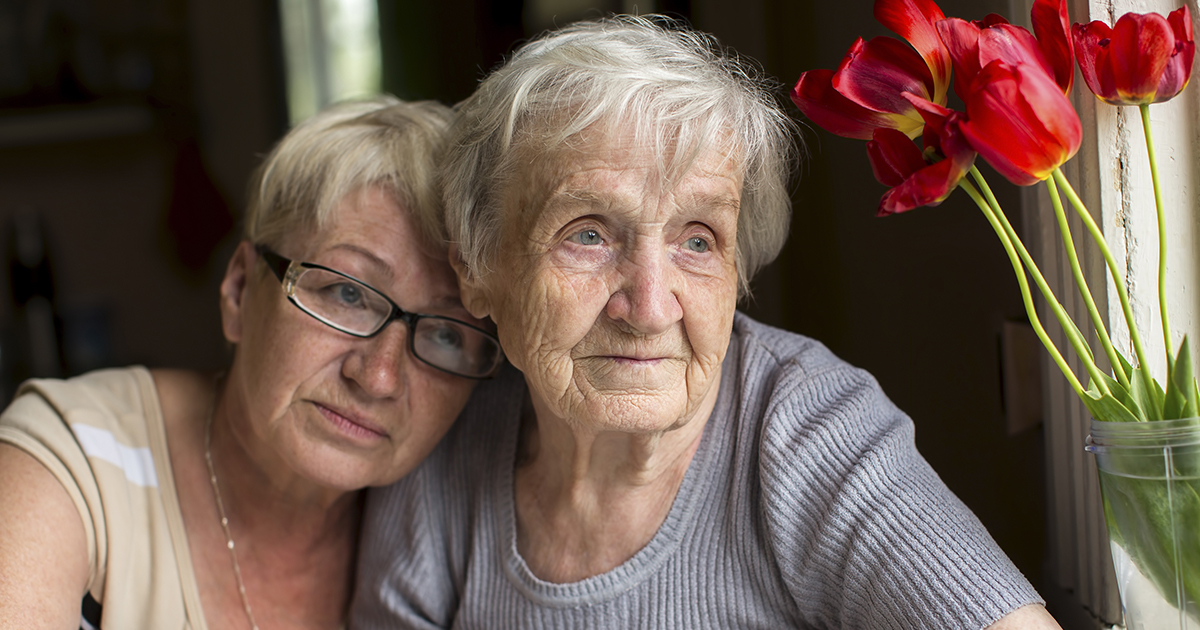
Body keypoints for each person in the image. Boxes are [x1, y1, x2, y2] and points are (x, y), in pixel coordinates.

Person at [352, 16, 1063, 630]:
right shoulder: (447, 440)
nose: (651, 306)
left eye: (698, 240)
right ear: (478, 267)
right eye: (588, 234)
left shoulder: (805, 426)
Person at [0, 96, 503, 629]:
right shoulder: (71, 467)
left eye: (447, 334)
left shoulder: (459, 525)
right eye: (347, 294)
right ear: (239, 291)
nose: (378, 378)